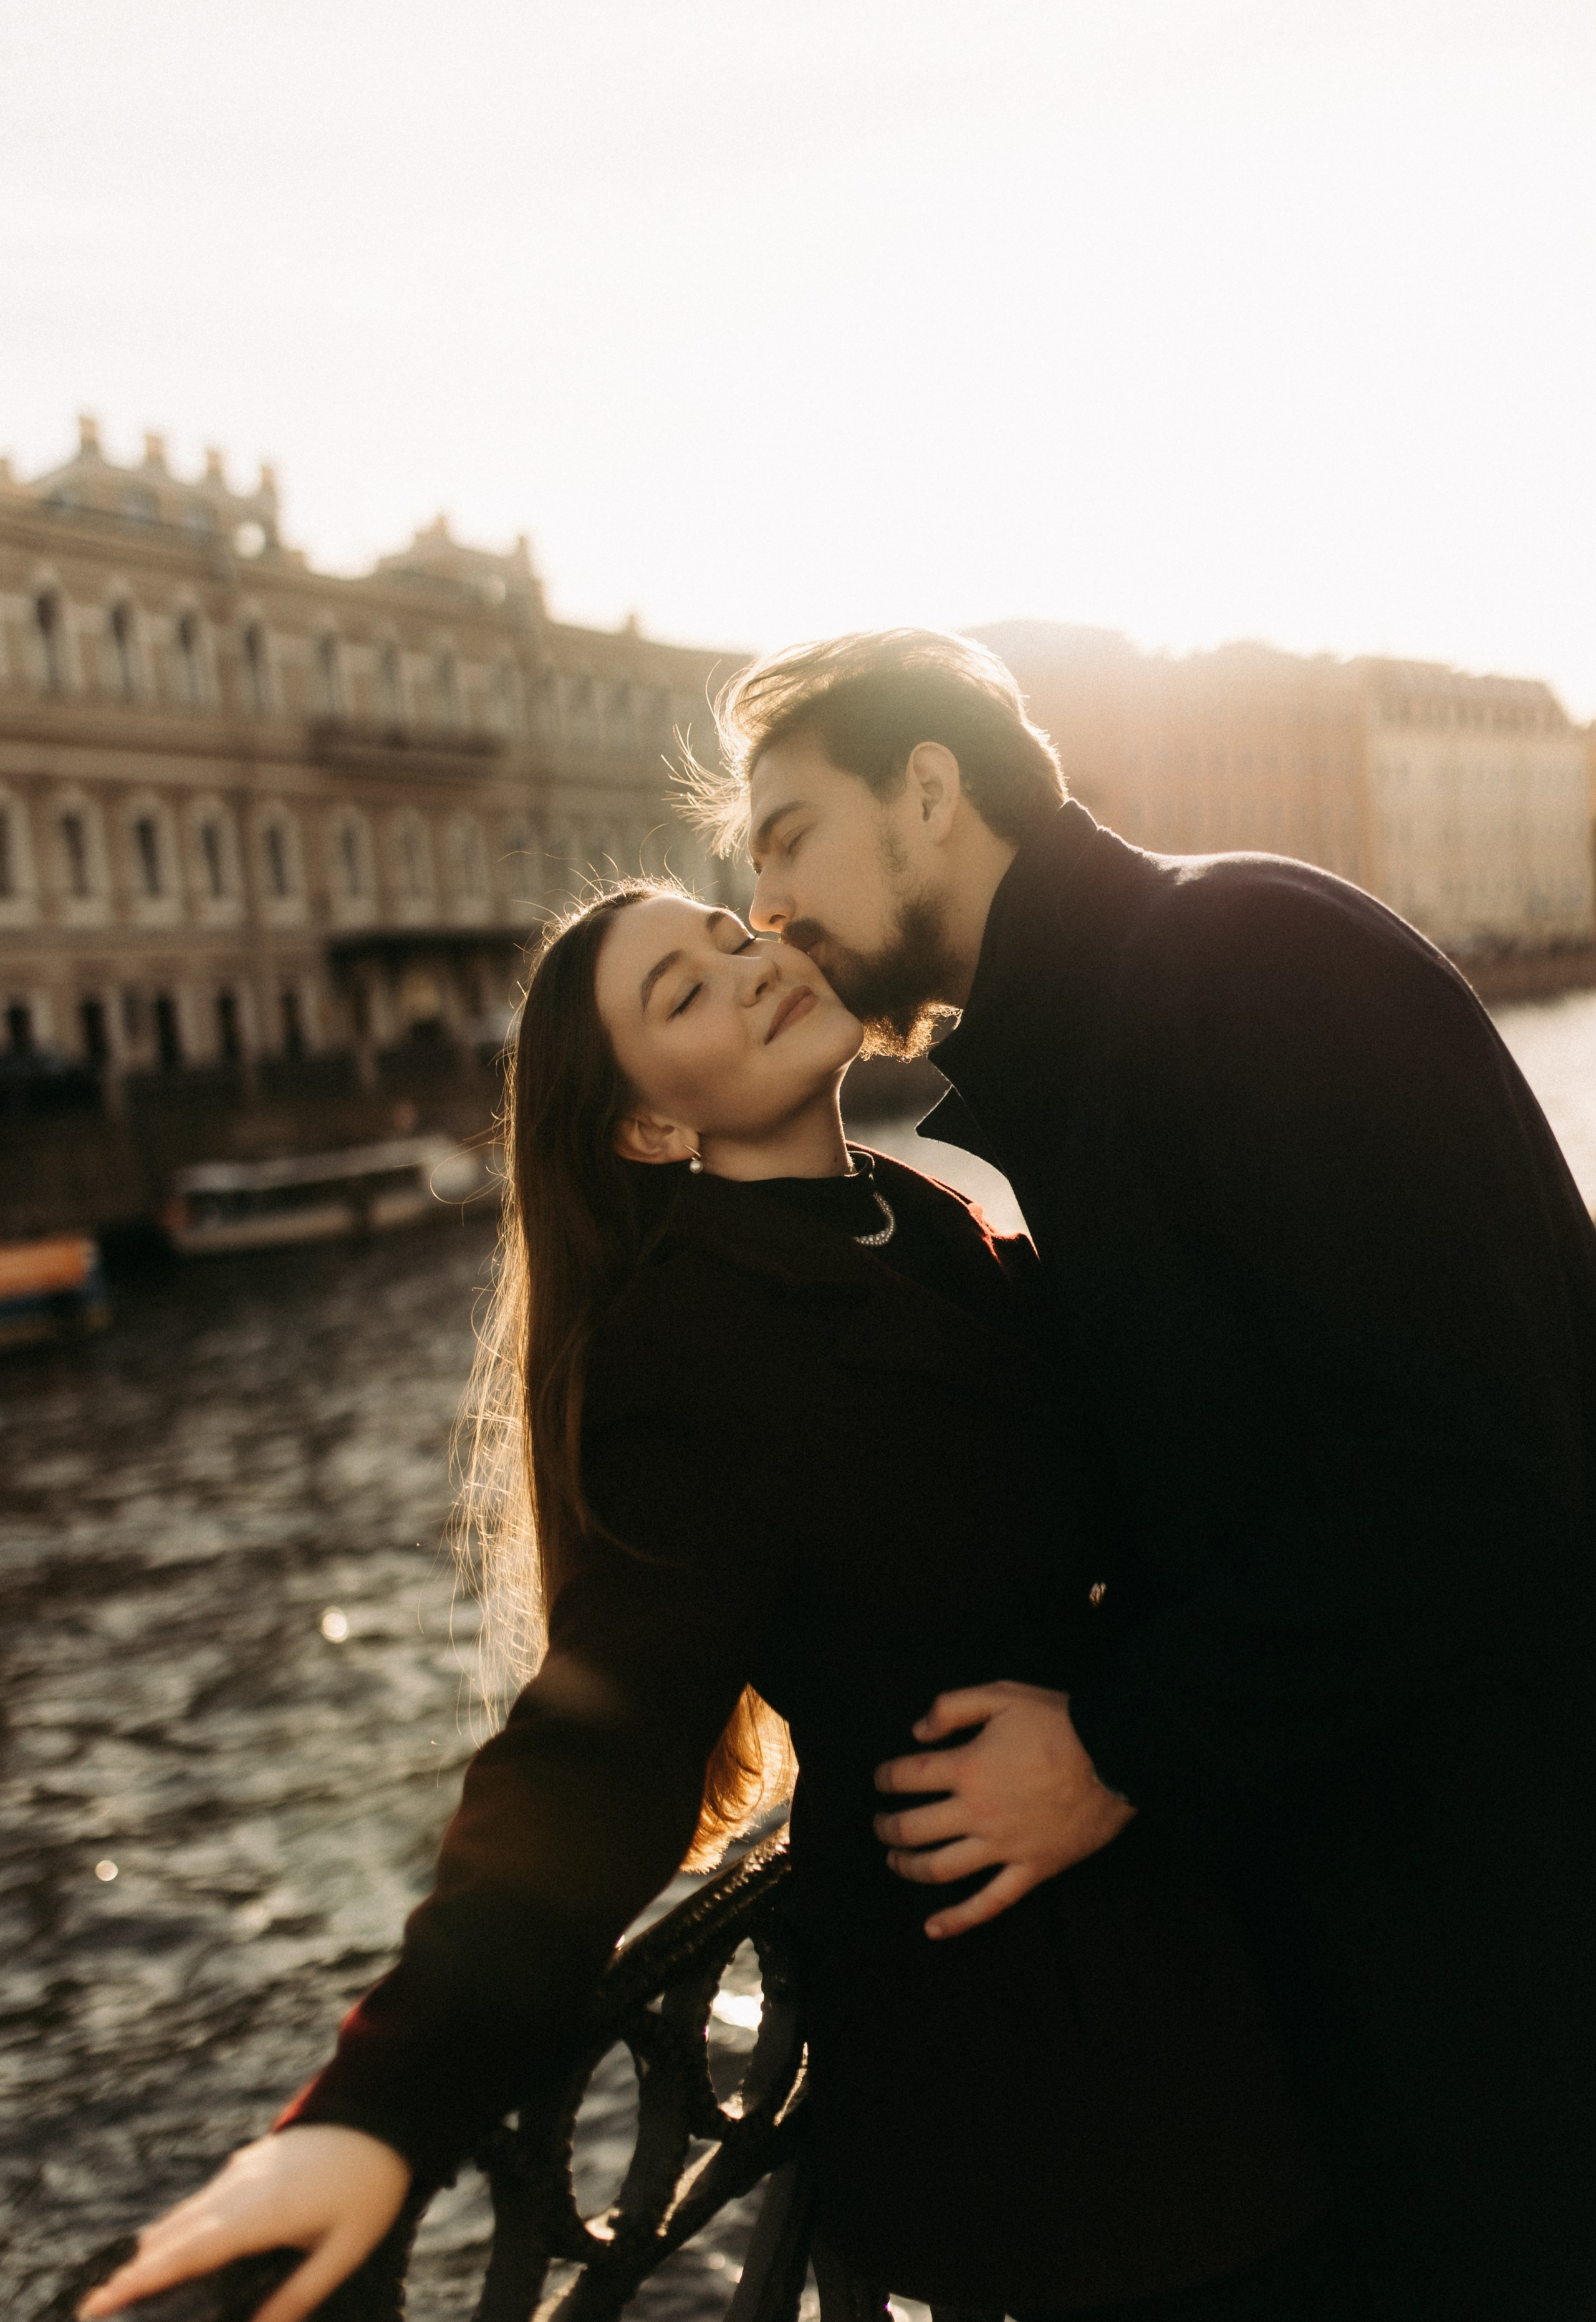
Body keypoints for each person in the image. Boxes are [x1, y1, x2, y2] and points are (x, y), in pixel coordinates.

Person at [84, 882, 1339, 2322]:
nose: (748, 972)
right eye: (680, 994)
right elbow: (598, 1750)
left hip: (1167, 1948)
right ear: (648, 1127)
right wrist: (375, 2107)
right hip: (1029, 2053)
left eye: (730, 939)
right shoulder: (684, 1357)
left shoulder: (911, 1212)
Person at [703, 626, 1596, 2322]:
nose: (772, 907)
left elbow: (1477, 1472)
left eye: (789, 837)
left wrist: (1119, 1746)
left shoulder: (1238, 958)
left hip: (1503, 1972)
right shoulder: (1126, 1016)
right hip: (1412, 1956)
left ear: (930, 789)